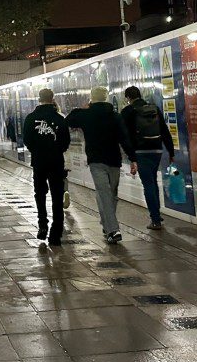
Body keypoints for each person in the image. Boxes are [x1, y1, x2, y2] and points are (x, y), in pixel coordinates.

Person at [67, 87, 137, 244]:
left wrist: (83, 108)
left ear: (92, 98)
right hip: (114, 160)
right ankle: (113, 230)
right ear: (106, 98)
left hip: (96, 160)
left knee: (106, 194)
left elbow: (69, 120)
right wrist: (133, 158)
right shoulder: (115, 116)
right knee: (109, 194)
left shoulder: (86, 114)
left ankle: (107, 225)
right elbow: (124, 138)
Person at [121, 85, 176, 230]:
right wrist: (171, 152)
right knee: (152, 182)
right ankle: (156, 212)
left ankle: (155, 219)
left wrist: (130, 156)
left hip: (140, 152)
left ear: (128, 98)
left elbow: (124, 136)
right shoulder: (153, 108)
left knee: (148, 184)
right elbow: (164, 130)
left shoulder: (128, 111)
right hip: (157, 150)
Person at [22, 88, 71, 245]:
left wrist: (36, 150)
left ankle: (42, 225)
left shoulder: (31, 118)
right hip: (56, 161)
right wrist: (57, 150)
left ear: (39, 99)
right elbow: (65, 141)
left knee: (40, 193)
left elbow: (27, 139)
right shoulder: (59, 118)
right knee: (57, 196)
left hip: (38, 161)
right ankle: (56, 233)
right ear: (52, 98)